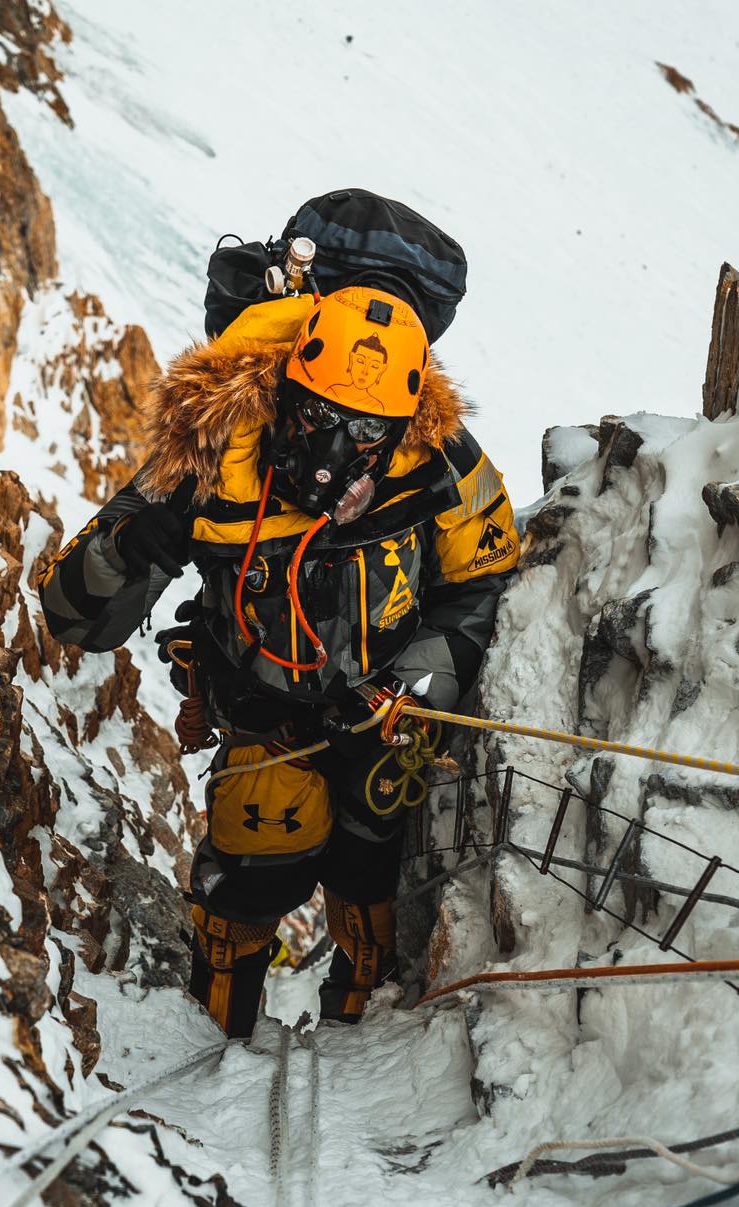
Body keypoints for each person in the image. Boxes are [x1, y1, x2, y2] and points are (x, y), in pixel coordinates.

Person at [39, 285, 518, 1038]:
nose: (336, 444)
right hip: (263, 716)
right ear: (286, 388)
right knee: (253, 876)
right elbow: (72, 614)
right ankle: (214, 1037)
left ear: (402, 422)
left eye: (365, 428)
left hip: (380, 720)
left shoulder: (443, 459)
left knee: (372, 881)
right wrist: (127, 549)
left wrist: (410, 685)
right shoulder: (209, 456)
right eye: (320, 415)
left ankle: (361, 1037)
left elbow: (481, 579)